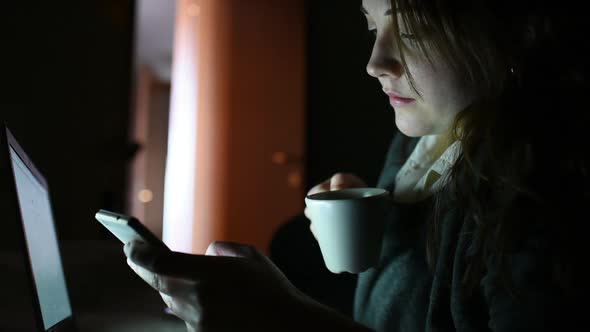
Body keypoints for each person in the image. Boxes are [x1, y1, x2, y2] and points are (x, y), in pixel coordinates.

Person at [123, 0, 589, 331]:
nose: (375, 62)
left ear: (504, 32)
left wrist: (283, 319)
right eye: (373, 27)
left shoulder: (541, 188)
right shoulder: (424, 143)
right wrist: (382, 224)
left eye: (412, 30)